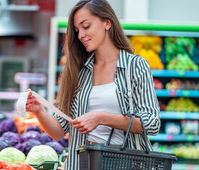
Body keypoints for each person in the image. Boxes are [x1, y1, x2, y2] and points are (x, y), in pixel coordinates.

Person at [26, 0, 161, 169]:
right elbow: (59, 131)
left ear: (107, 23)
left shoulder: (134, 66)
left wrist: (101, 118)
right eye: (77, 30)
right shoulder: (79, 71)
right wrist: (39, 110)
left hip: (124, 164)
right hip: (81, 165)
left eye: (86, 26)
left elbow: (152, 123)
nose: (81, 35)